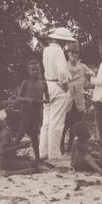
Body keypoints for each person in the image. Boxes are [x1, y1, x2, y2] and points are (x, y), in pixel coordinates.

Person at [39, 27, 74, 161]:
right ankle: (54, 154)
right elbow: (61, 71)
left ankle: (44, 152)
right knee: (57, 121)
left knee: (47, 120)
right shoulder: (58, 51)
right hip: (58, 85)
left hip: (47, 84)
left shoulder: (46, 50)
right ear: (61, 40)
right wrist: (65, 84)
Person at [61, 42, 94, 154]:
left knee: (75, 126)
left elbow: (92, 75)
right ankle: (60, 146)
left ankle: (70, 147)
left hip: (78, 101)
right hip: (67, 101)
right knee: (64, 125)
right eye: (72, 52)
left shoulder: (83, 67)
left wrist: (88, 77)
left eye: (76, 53)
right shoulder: (63, 66)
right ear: (68, 54)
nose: (74, 55)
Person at [14, 59, 50, 159]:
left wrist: (41, 101)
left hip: (37, 113)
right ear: (29, 71)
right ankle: (10, 152)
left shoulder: (43, 83)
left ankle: (37, 158)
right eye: (33, 70)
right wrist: (27, 99)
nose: (36, 72)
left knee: (34, 136)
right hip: (26, 112)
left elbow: (48, 99)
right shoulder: (26, 83)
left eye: (37, 69)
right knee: (21, 133)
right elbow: (18, 97)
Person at [0, 110, 40, 176]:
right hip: (5, 163)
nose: (20, 127)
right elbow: (2, 151)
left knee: (32, 161)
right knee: (34, 166)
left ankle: (11, 170)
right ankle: (10, 173)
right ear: (13, 124)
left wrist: (22, 144)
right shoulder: (6, 134)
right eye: (19, 124)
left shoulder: (7, 132)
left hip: (7, 160)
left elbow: (9, 147)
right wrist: (20, 146)